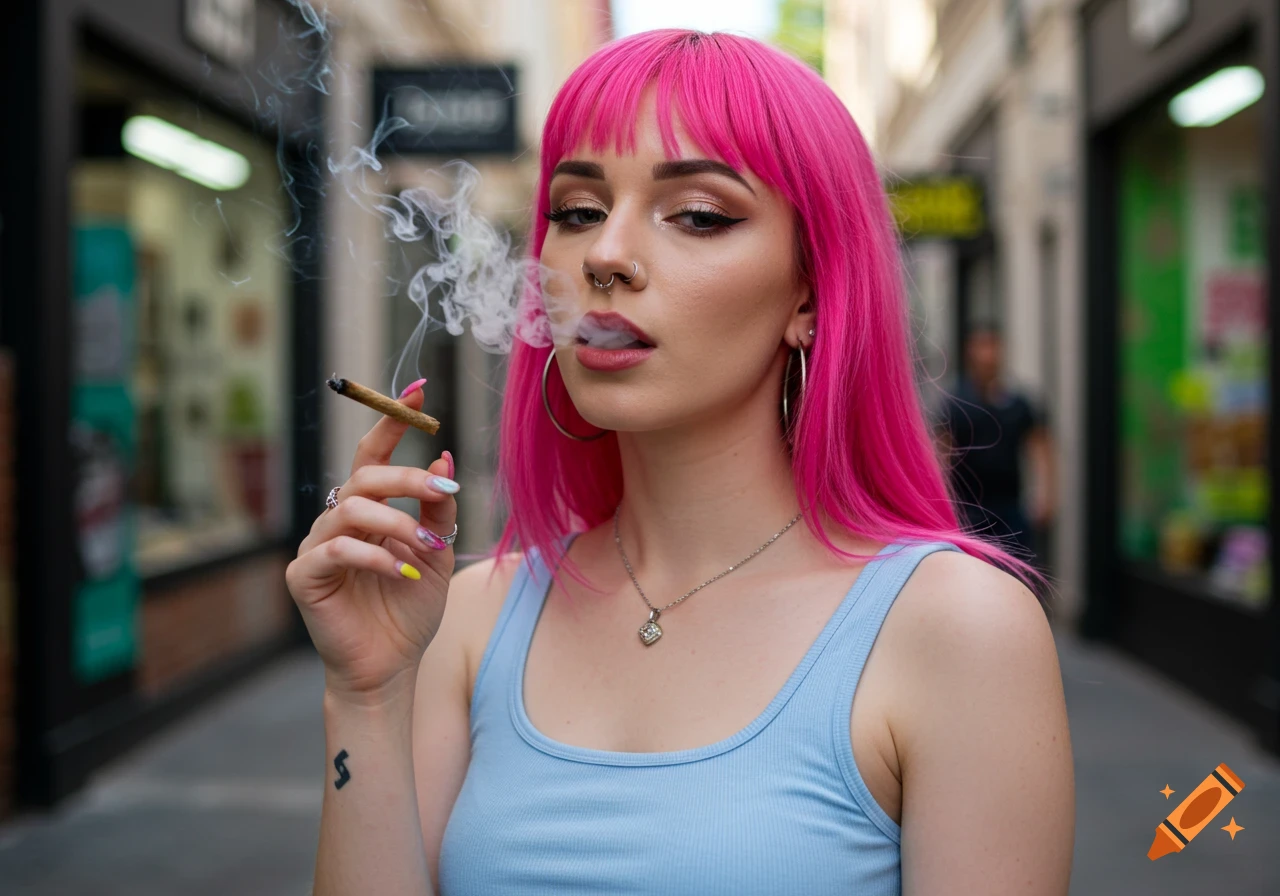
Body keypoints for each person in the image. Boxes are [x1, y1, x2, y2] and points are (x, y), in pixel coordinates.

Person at [287, 30, 1074, 896]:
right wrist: (365, 696)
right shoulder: (465, 617)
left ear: (810, 293)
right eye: (577, 211)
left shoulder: (957, 629)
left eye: (698, 215)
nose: (604, 255)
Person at [938, 325, 1057, 565]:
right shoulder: (956, 401)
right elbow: (941, 452)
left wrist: (1046, 496)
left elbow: (1040, 447)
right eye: (982, 346)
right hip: (969, 509)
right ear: (970, 351)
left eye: (993, 346)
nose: (988, 354)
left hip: (1009, 507)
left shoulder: (1019, 403)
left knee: (1015, 568)